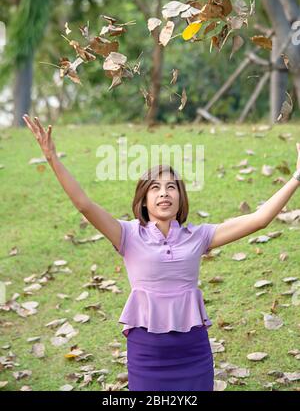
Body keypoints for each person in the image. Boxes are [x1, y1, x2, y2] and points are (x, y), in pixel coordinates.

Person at [22, 114, 300, 391]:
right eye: (154, 188)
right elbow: (84, 205)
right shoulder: (127, 235)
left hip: (194, 352)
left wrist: (297, 177)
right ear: (143, 201)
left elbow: (260, 219)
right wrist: (52, 158)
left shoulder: (199, 236)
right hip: (147, 355)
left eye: (171, 188)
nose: (164, 193)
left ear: (180, 198)